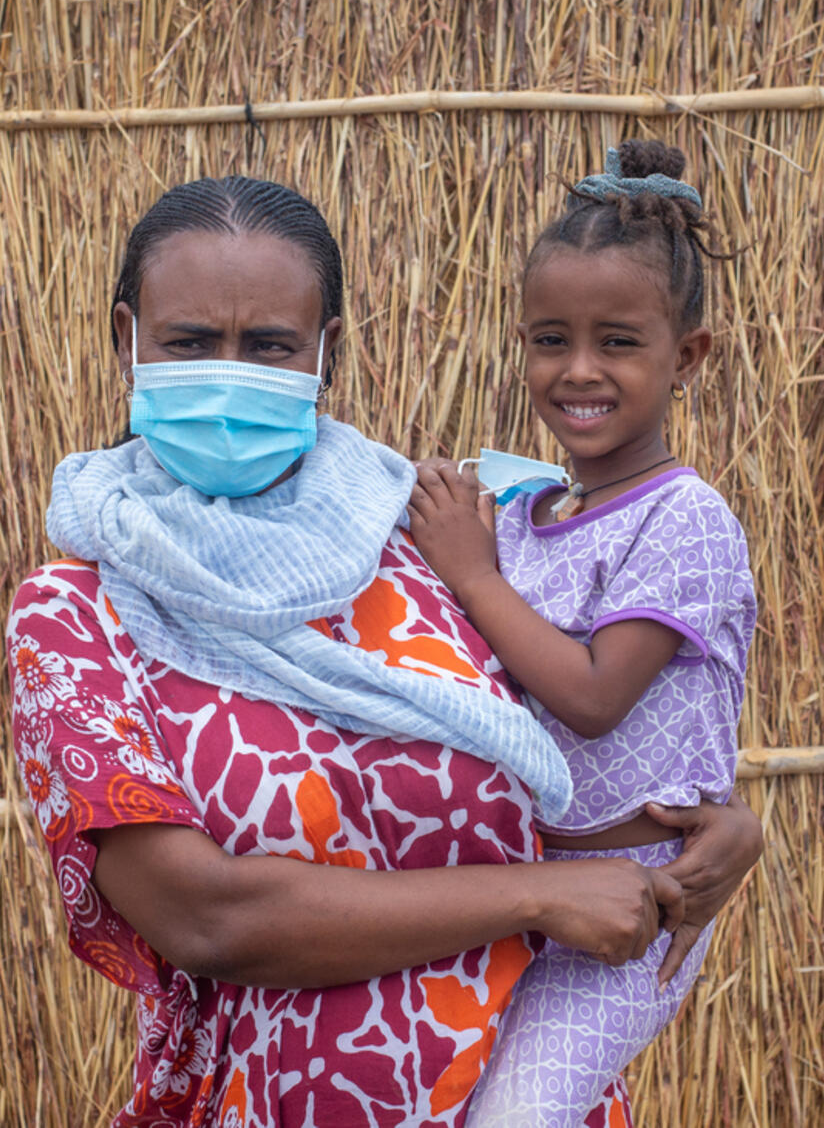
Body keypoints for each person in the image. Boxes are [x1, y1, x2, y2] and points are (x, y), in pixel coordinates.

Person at [7, 175, 760, 1128]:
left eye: (271, 345)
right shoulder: (74, 619)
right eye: (191, 342)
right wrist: (542, 891)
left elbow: (589, 714)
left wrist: (721, 822)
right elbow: (208, 917)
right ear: (129, 340)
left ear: (325, 353)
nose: (230, 373)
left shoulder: (412, 549)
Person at [407, 140, 756, 1126]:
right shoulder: (521, 516)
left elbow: (597, 699)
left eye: (618, 341)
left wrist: (469, 571)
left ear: (687, 356)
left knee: (515, 1117)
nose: (579, 370)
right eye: (549, 339)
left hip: (633, 904)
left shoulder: (684, 519)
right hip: (508, 884)